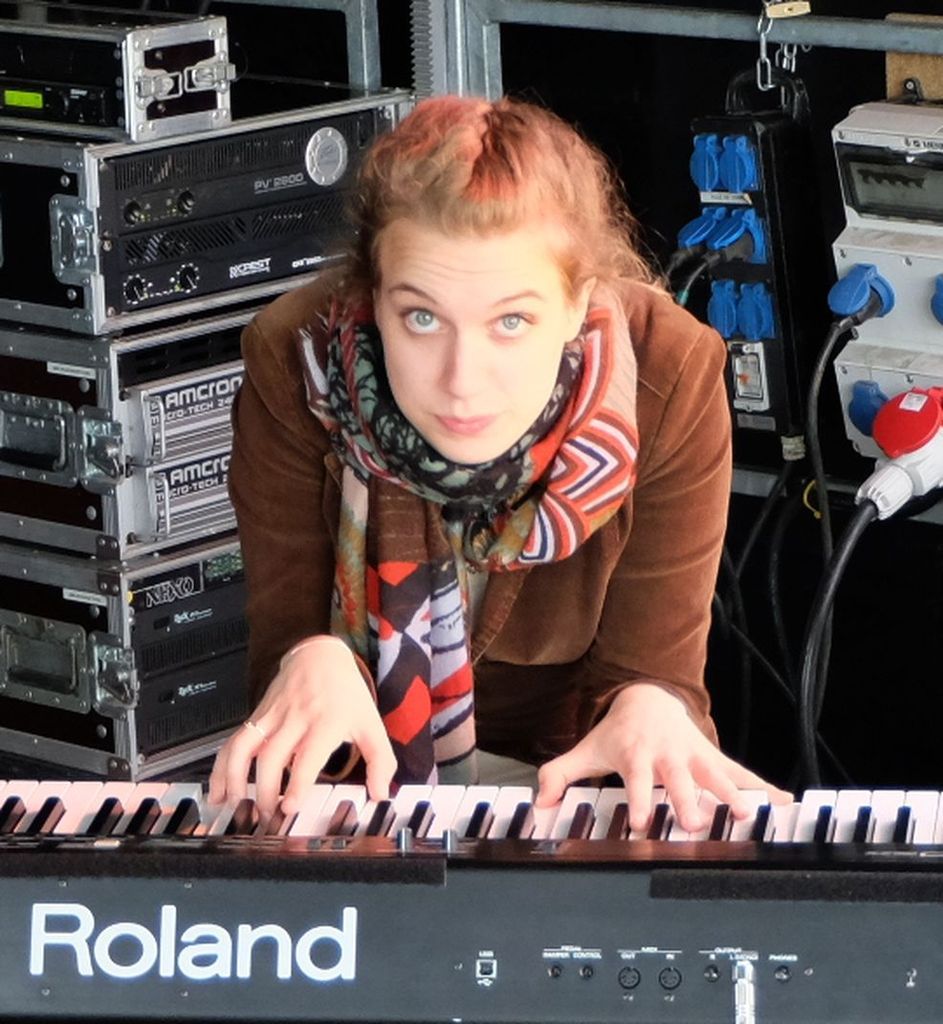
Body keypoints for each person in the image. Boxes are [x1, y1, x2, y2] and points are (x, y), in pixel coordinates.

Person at [208, 94, 791, 832]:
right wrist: (311, 657)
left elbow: (654, 670)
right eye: (421, 318)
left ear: (577, 306)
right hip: (366, 790)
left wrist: (650, 703)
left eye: (511, 321)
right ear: (372, 301)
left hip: (565, 791)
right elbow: (282, 655)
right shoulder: (295, 357)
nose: (462, 380)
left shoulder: (669, 371)